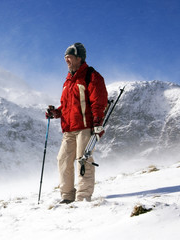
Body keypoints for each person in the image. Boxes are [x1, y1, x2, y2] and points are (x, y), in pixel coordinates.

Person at [46, 42, 108, 203]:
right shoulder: (68, 81)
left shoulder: (91, 76)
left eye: (69, 57)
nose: (66, 60)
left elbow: (98, 102)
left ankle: (83, 196)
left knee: (83, 160)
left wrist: (97, 122)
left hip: (85, 127)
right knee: (63, 160)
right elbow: (67, 106)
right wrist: (56, 113)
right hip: (69, 129)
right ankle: (66, 196)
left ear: (79, 58)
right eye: (65, 57)